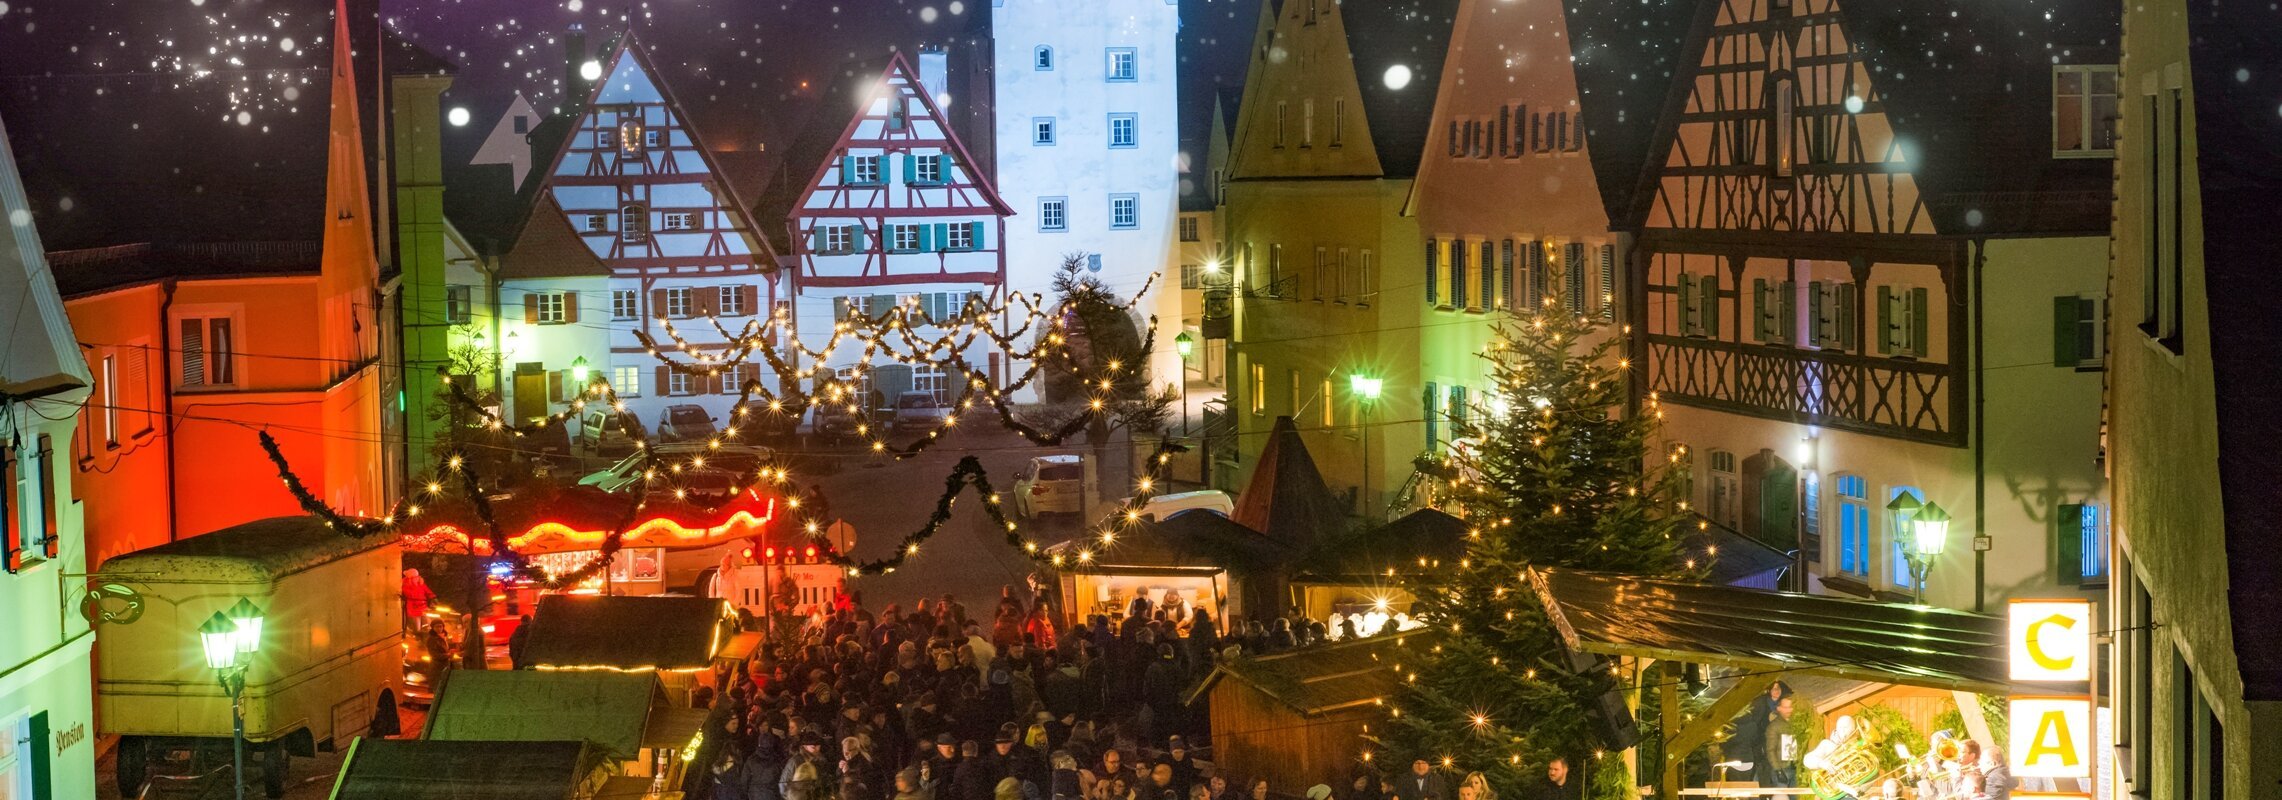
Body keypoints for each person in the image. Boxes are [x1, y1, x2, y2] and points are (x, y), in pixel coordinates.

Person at [1761, 695, 1801, 797]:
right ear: (1779, 708)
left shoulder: (1797, 723)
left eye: (1791, 707)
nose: (1789, 710)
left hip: (1795, 767)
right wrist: (1777, 770)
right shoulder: (1774, 726)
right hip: (1782, 768)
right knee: (1781, 797)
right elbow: (1770, 750)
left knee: (1796, 797)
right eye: (1786, 707)